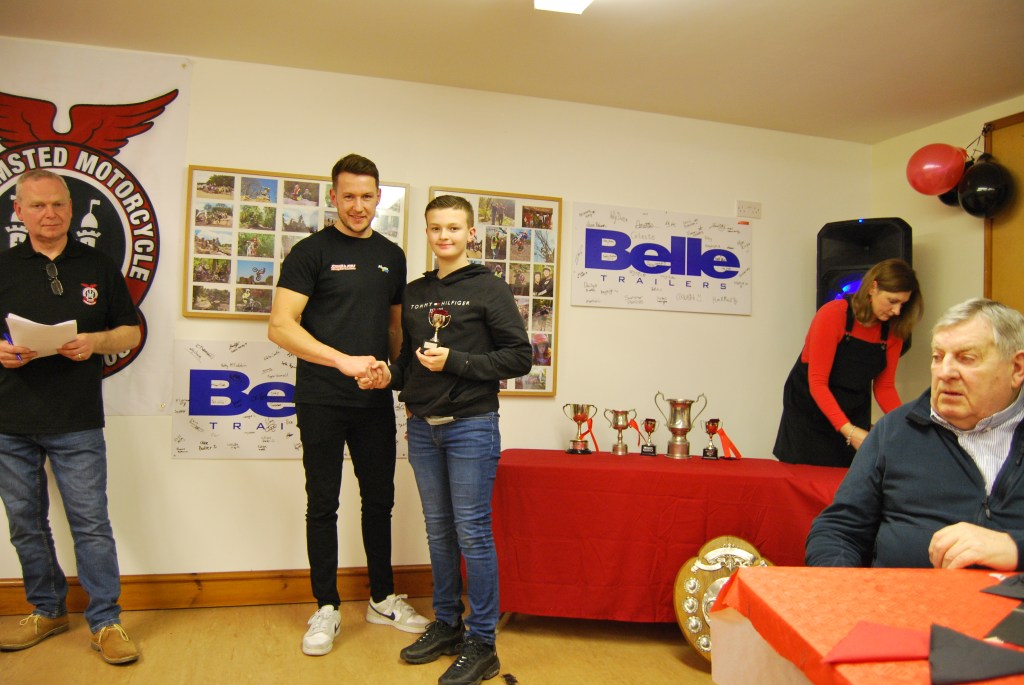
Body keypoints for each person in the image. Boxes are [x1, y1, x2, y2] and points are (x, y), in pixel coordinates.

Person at [360, 195, 531, 684]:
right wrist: (387, 376)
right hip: (422, 426)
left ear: (470, 233)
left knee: (472, 532)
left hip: (471, 425)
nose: (444, 236)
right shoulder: (416, 292)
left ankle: (483, 642)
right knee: (438, 531)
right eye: (436, 228)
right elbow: (410, 363)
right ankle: (448, 624)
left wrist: (456, 361)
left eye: (454, 228)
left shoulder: (489, 288)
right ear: (428, 233)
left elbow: (520, 357)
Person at [267, 154, 427, 657]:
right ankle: (327, 606)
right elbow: (280, 326)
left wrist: (393, 377)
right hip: (321, 397)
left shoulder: (391, 255)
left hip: (373, 400)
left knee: (380, 500)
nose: (358, 206)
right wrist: (342, 361)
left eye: (367, 196)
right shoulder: (310, 252)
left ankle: (381, 598)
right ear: (333, 197)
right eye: (349, 196)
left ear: (379, 198)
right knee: (323, 503)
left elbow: (395, 329)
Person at [0, 170, 142, 664]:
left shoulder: (98, 265)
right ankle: (47, 610)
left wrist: (95, 342)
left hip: (77, 420)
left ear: (71, 208)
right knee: (25, 523)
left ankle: (105, 621)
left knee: (91, 523)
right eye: (38, 205)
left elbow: (130, 333)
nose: (50, 214)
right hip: (9, 421)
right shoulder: (3, 266)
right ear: (19, 211)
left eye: (58, 204)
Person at [806, 298, 1024, 570]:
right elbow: (837, 531)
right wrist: (845, 588)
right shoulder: (894, 432)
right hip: (901, 596)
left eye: (966, 358)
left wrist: (1015, 548)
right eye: (938, 357)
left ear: (1017, 368)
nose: (945, 372)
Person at [773, 258, 923, 467]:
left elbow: (885, 388)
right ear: (873, 287)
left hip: (853, 411)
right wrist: (849, 431)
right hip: (809, 414)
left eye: (903, 304)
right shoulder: (833, 314)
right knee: (805, 478)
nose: (897, 311)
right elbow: (817, 382)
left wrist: (908, 425)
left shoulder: (893, 332)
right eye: (892, 301)